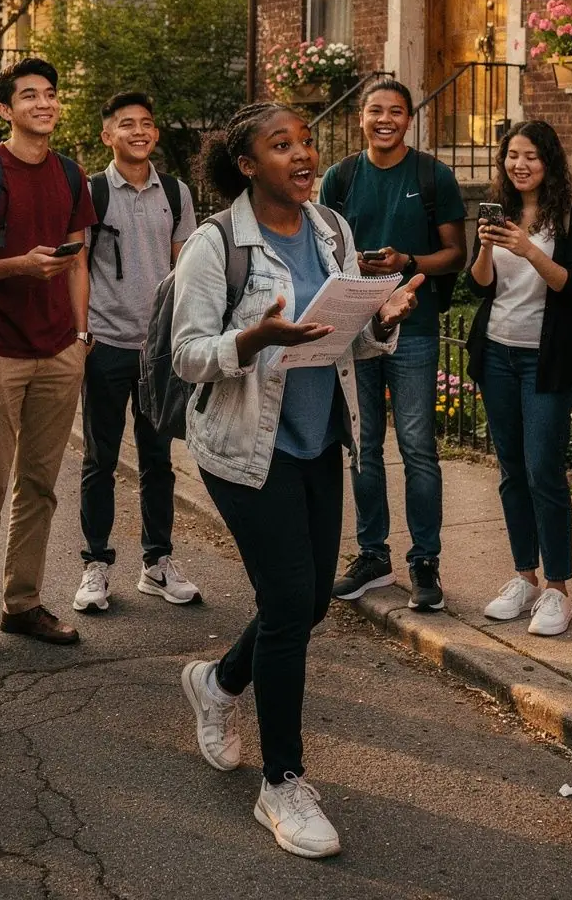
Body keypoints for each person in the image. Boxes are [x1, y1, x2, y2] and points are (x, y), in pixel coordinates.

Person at [172, 102, 422, 860]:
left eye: (307, 141)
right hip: (247, 448)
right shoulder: (217, 243)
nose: (303, 154)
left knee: (310, 600)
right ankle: (281, 784)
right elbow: (187, 353)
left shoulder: (331, 229)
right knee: (287, 602)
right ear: (246, 164)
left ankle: (217, 682)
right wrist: (255, 339)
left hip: (318, 437)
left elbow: (347, 337)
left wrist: (383, 315)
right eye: (282, 145)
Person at [0, 58, 97, 665]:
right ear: (6, 109)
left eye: (51, 95)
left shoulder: (70, 172)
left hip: (60, 351)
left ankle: (24, 602)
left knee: (40, 485)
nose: (44, 103)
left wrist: (82, 339)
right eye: (29, 96)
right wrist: (18, 266)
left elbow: (79, 260)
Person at [323, 79, 466, 611]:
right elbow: (323, 248)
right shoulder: (340, 177)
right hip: (355, 328)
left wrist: (408, 262)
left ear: (410, 119)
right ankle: (372, 556)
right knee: (364, 448)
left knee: (418, 448)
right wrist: (354, 264)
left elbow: (454, 253)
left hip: (415, 328)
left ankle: (425, 561)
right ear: (361, 117)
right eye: (376, 110)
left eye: (397, 111)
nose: (386, 119)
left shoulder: (433, 175)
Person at [467, 120, 572, 636]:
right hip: (497, 353)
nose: (519, 165)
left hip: (545, 360)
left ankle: (558, 589)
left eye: (531, 157)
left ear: (550, 161)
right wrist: (485, 248)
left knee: (544, 470)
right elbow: (481, 288)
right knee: (511, 469)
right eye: (512, 156)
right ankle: (524, 575)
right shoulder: (498, 211)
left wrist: (528, 249)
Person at [73, 91, 199, 614]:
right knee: (100, 459)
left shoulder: (176, 191)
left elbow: (187, 269)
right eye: (127, 125)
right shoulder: (92, 191)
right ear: (108, 136)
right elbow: (77, 265)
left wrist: (182, 335)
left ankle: (158, 563)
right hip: (106, 343)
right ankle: (95, 565)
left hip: (159, 350)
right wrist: (82, 335)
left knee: (158, 460)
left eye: (147, 123)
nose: (140, 131)